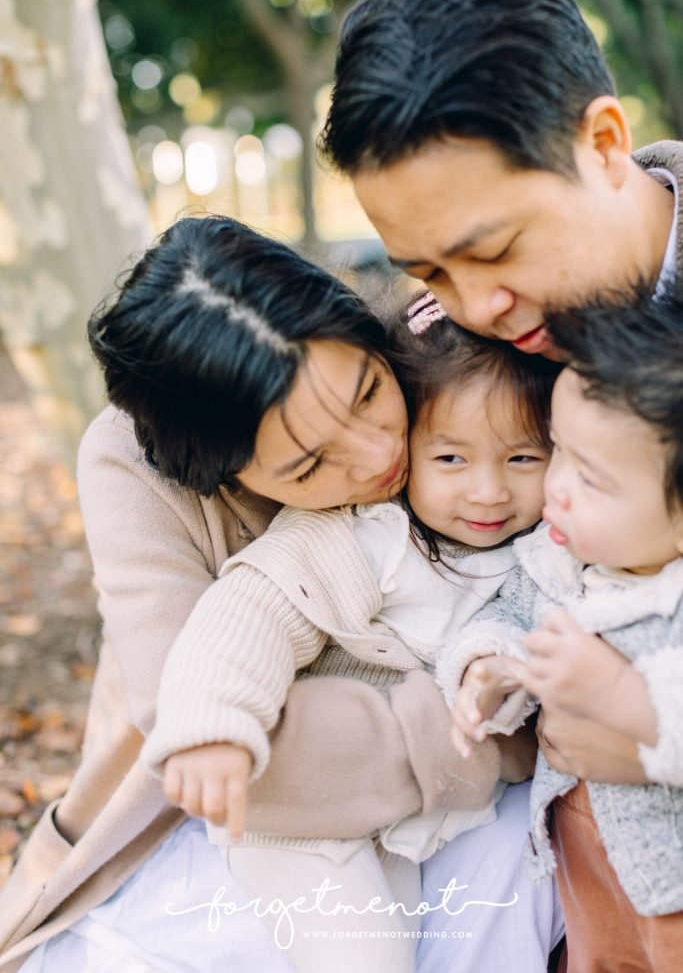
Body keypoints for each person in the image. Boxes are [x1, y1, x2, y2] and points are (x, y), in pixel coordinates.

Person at [0, 218, 559, 973]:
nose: (379, 453)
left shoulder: (438, 373)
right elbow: (209, 717)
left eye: (367, 391)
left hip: (426, 801)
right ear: (223, 479)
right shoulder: (186, 488)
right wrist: (477, 734)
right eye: (308, 465)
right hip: (233, 818)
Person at [319, 0, 682, 795]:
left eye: (494, 252)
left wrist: (644, 747)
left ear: (601, 144)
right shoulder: (458, 345)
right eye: (431, 273)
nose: (476, 307)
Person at [137, 291, 558, 970]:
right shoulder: (363, 534)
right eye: (450, 460)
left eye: (521, 460)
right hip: (301, 830)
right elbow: (250, 613)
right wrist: (213, 726)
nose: (487, 492)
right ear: (417, 444)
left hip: (396, 819)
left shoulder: (543, 551)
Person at [447, 290, 683, 972]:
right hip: (579, 864)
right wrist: (486, 665)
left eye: (593, 478)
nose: (556, 487)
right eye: (556, 451)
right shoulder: (558, 561)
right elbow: (508, 615)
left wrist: (617, 694)